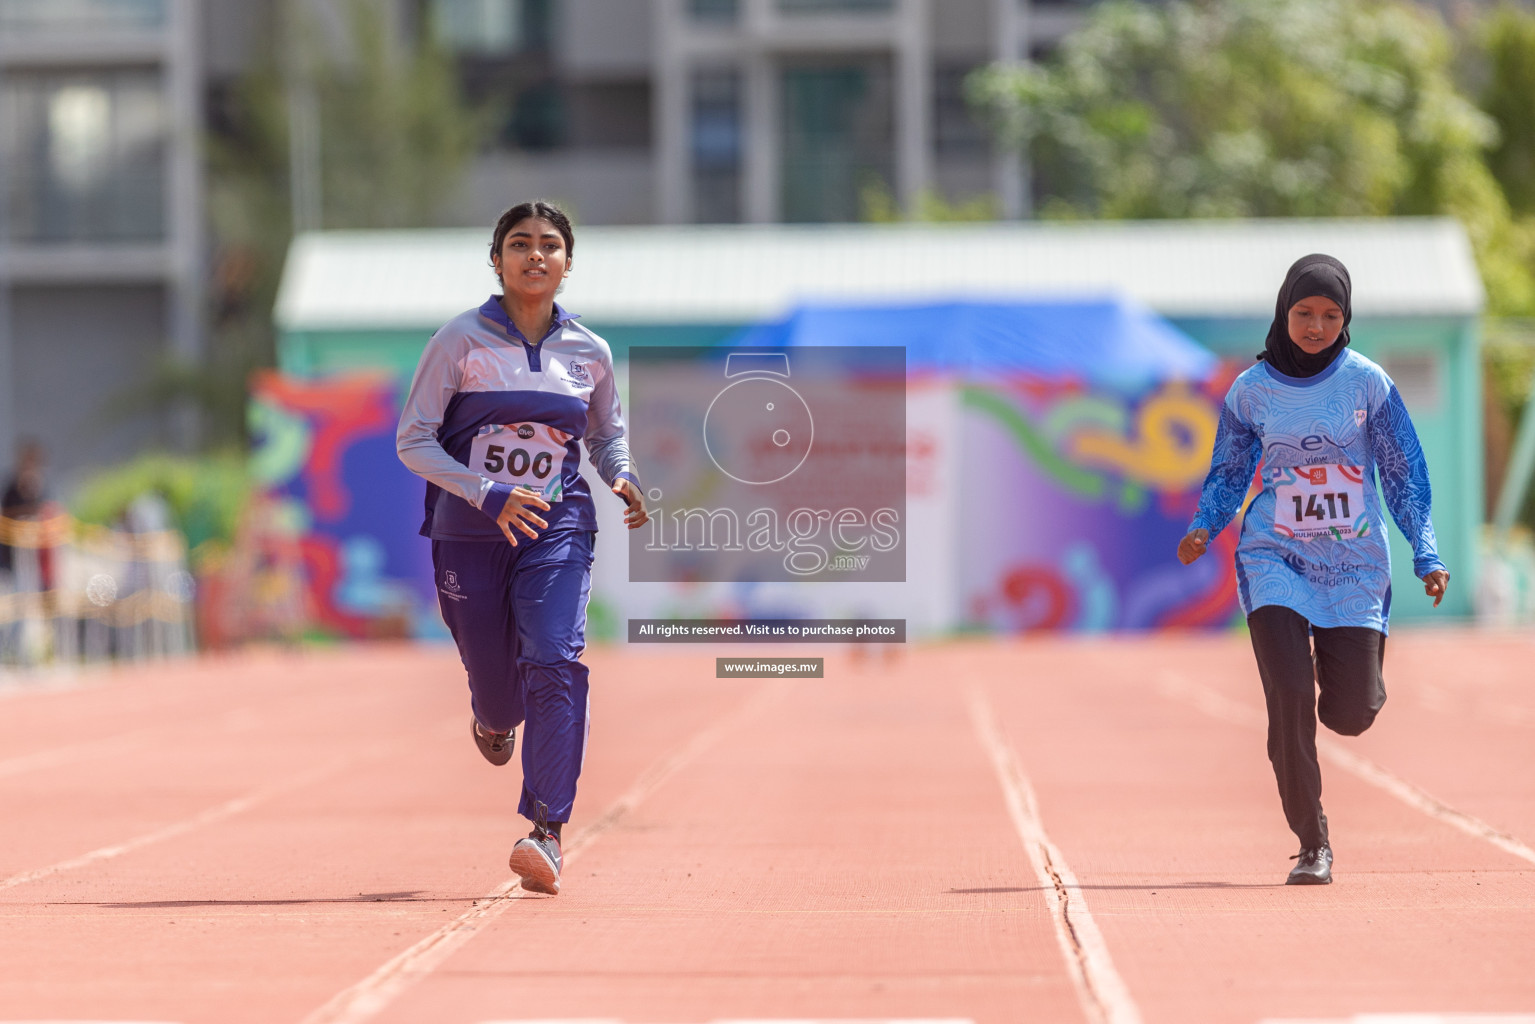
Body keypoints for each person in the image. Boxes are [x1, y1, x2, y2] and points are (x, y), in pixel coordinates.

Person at [396, 200, 647, 895]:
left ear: (568, 264)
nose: (535, 255)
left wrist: (619, 474)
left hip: (556, 523)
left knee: (556, 660)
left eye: (549, 246)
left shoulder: (587, 351)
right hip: (469, 532)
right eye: (519, 244)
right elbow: (412, 440)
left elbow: (604, 433)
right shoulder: (460, 341)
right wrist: (486, 491)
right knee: (501, 693)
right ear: (497, 259)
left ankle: (546, 830)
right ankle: (491, 716)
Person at [1177, 254, 1449, 886]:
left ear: (1346, 318)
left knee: (1350, 713)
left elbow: (1405, 474)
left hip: (1354, 566)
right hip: (1275, 557)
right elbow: (1227, 471)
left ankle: (1356, 678)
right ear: (1284, 312)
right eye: (1304, 313)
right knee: (1291, 695)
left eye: (1331, 315)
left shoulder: (1368, 384)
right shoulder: (1252, 391)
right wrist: (1204, 525)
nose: (1317, 326)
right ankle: (1312, 842)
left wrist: (1426, 551)